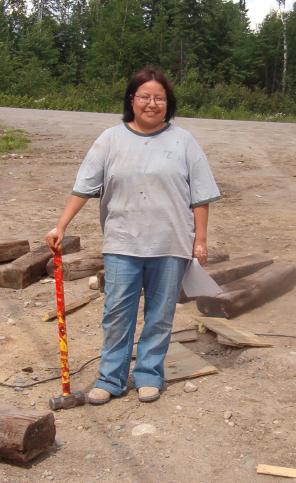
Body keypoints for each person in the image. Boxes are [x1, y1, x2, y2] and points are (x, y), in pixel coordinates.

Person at [45, 66, 220, 405]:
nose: (152, 103)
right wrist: (61, 225)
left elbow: (201, 196)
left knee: (159, 314)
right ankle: (110, 379)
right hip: (122, 242)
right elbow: (84, 187)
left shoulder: (184, 141)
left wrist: (200, 240)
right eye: (145, 97)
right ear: (131, 100)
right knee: (117, 313)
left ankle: (149, 374)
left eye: (159, 98)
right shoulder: (110, 139)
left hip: (171, 244)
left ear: (168, 103)